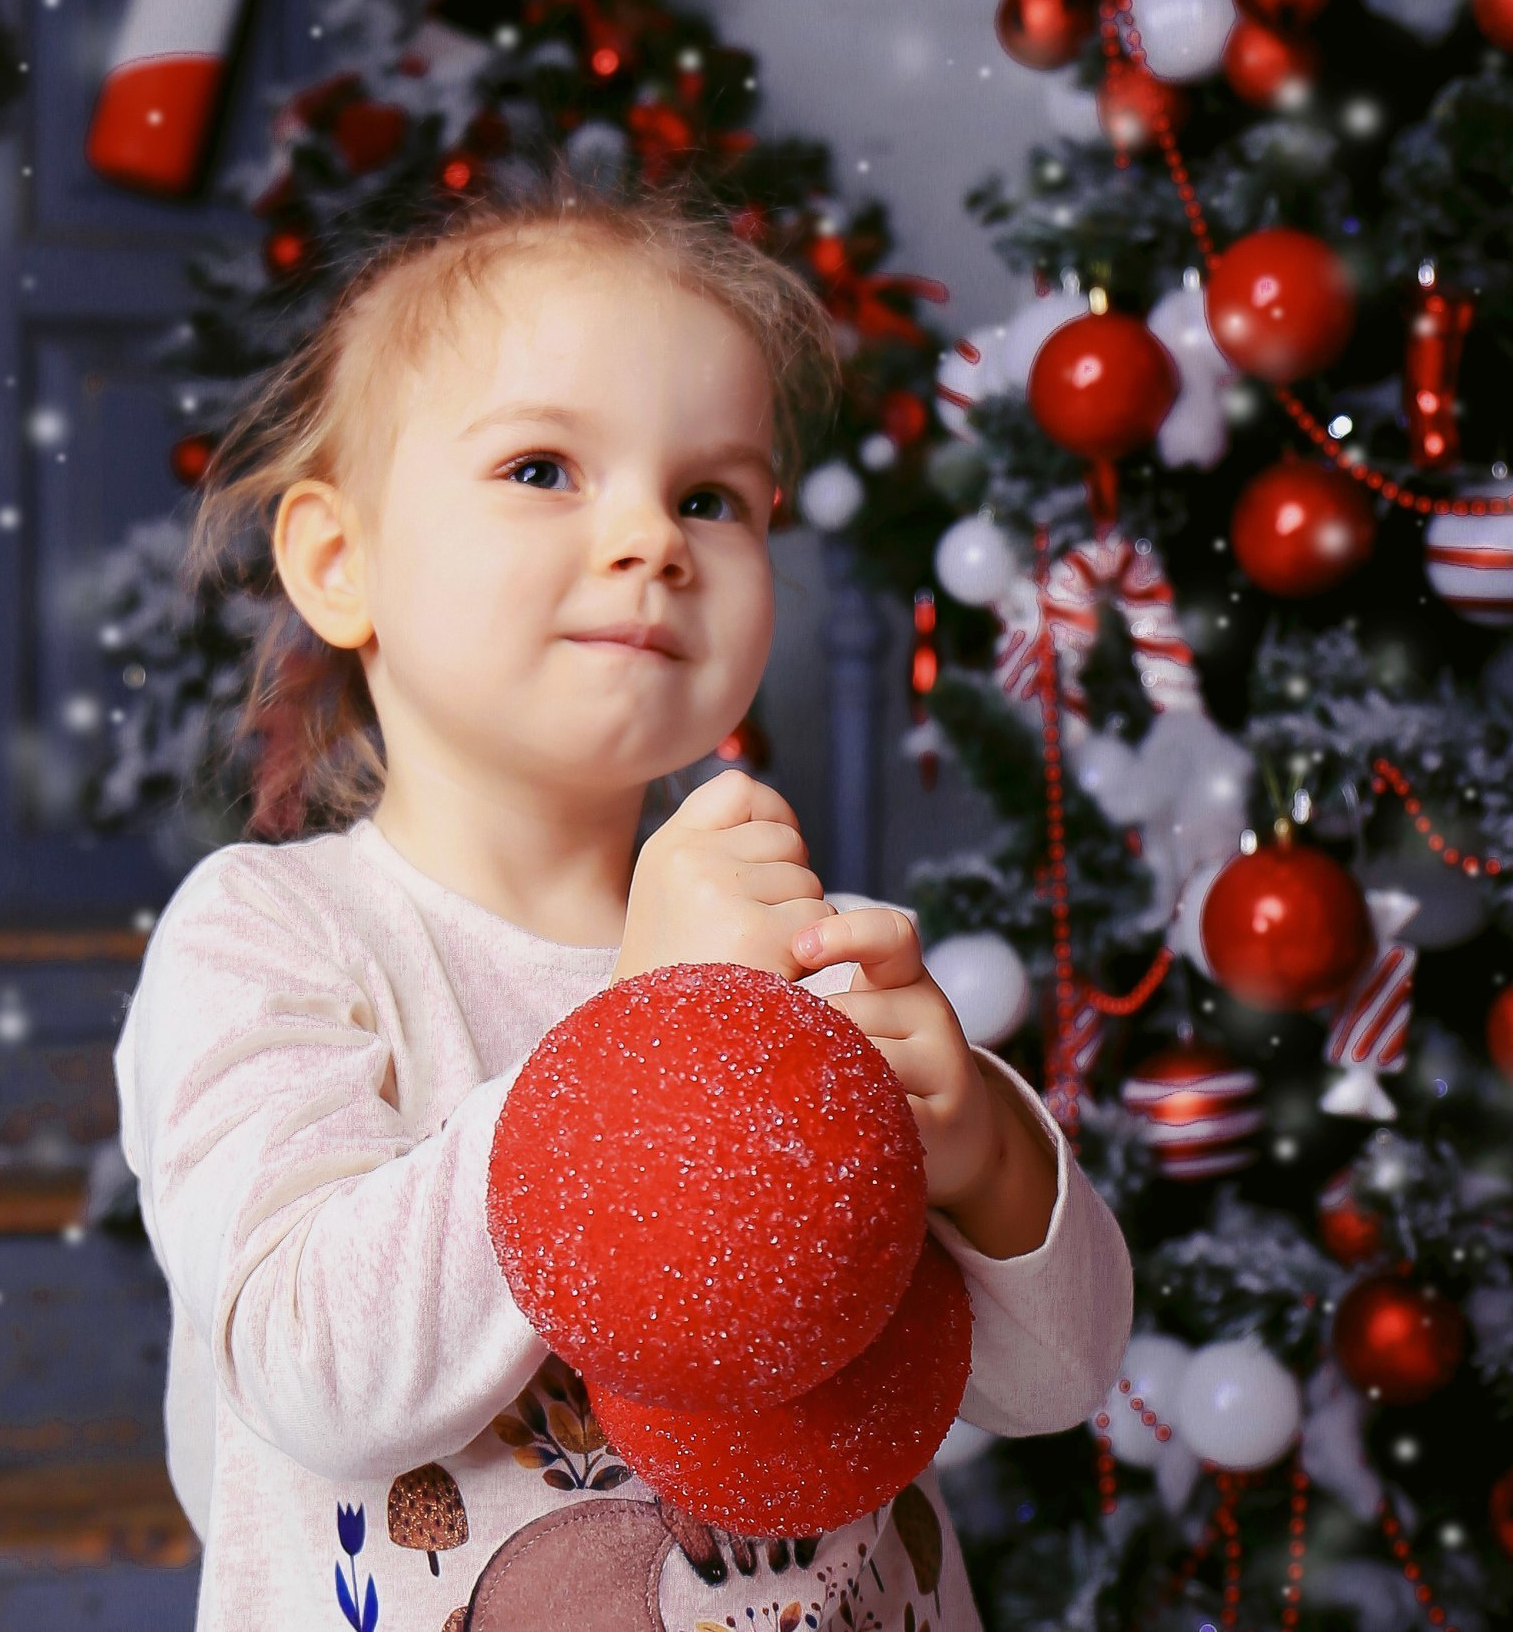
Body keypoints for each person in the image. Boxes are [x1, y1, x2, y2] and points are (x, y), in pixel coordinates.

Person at [112, 167, 1133, 1631]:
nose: (654, 539)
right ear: (342, 561)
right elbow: (313, 1368)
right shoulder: (278, 936)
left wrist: (979, 1149)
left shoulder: (800, 951)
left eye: (712, 496)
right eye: (542, 469)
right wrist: (643, 1033)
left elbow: (1060, 1377)